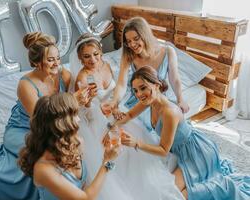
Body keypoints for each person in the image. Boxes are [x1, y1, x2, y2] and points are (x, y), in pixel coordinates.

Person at [70, 33, 184, 200]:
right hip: (96, 116)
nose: (93, 60)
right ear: (80, 58)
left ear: (101, 53)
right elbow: (85, 108)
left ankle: (142, 180)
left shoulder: (107, 65)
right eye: (86, 57)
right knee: (114, 149)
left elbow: (117, 91)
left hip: (115, 111)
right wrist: (91, 103)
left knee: (134, 140)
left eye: (95, 55)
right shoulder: (82, 77)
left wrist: (115, 106)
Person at [0, 32, 90, 200]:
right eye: (51, 60)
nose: (57, 64)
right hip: (27, 128)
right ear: (37, 62)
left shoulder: (63, 75)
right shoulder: (25, 85)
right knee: (44, 157)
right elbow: (41, 120)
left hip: (55, 126)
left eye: (58, 58)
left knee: (67, 153)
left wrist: (86, 96)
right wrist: (73, 100)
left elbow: (76, 105)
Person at [119, 66, 250, 199]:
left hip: (196, 153)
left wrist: (136, 143)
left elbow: (164, 150)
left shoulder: (169, 112)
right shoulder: (149, 101)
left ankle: (223, 186)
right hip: (180, 151)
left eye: (143, 88)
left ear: (157, 85)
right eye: (135, 90)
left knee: (172, 194)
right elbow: (129, 115)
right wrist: (112, 119)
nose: (139, 94)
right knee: (162, 190)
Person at [18, 93, 120, 200]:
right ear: (62, 123)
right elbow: (85, 198)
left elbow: (83, 186)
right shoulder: (43, 169)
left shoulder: (77, 143)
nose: (79, 120)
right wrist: (107, 162)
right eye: (74, 115)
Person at [104, 17, 189, 131]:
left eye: (136, 39)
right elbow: (122, 83)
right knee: (127, 125)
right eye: (128, 41)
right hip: (140, 99)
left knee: (172, 126)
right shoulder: (129, 56)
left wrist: (180, 99)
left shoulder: (168, 51)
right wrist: (115, 101)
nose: (132, 44)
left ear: (145, 35)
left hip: (157, 96)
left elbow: (175, 79)